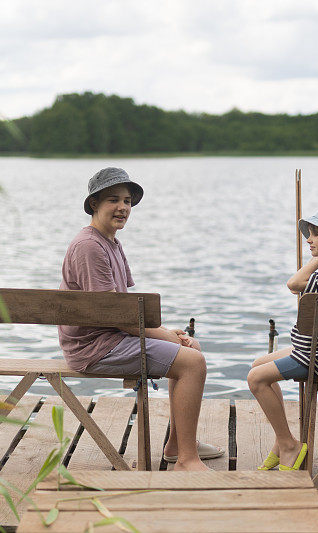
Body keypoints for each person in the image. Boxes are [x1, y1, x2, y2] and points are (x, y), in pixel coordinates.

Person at [58, 167, 223, 471]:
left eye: (127, 201)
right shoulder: (90, 246)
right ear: (94, 203)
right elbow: (117, 317)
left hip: (110, 336)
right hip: (93, 347)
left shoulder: (111, 242)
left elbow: (122, 310)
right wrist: (162, 334)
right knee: (193, 362)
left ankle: (177, 445)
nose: (122, 208)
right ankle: (187, 460)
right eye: (113, 200)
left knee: (192, 347)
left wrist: (162, 331)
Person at [247, 206, 318, 471]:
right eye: (308, 234)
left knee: (255, 379)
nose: (308, 240)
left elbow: (293, 284)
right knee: (257, 365)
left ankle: (288, 444)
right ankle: (281, 438)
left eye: (316, 234)